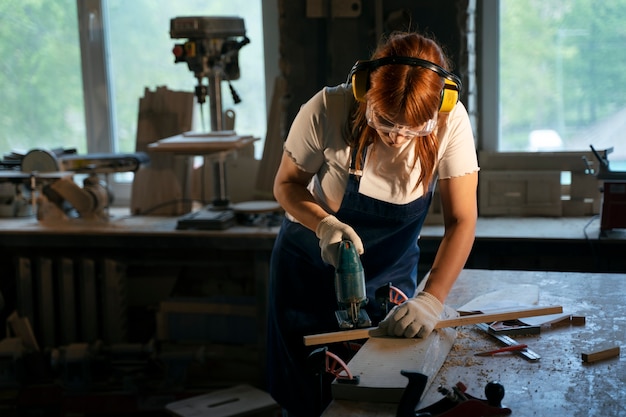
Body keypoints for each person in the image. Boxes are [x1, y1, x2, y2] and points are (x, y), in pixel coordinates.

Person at [266, 31, 479, 417]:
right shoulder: (327, 109)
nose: (397, 137)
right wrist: (324, 225)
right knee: (308, 400)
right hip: (308, 276)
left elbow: (462, 220)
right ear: (366, 93)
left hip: (391, 280)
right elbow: (285, 185)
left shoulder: (451, 122)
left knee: (387, 396)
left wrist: (432, 299)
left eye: (412, 129)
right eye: (385, 122)